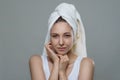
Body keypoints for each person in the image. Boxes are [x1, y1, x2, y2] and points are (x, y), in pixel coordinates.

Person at [29, 3, 94, 80]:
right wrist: (56, 63)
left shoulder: (86, 64)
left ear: (74, 36)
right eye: (55, 36)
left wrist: (62, 73)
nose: (61, 43)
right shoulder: (36, 61)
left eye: (66, 35)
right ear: (50, 37)